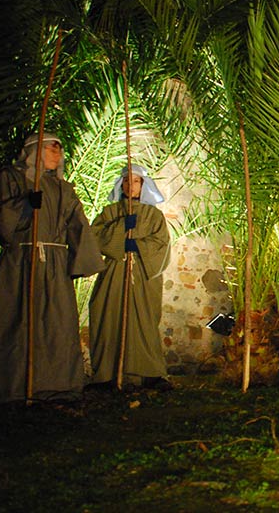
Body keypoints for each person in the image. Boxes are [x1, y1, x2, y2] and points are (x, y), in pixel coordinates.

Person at [0, 132, 104, 404]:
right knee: (17, 321)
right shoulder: (10, 178)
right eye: (52, 148)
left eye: (60, 149)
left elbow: (78, 225)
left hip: (55, 266)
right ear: (34, 150)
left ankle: (56, 384)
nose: (57, 154)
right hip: (21, 263)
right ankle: (13, 386)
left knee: (56, 324)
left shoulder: (64, 189)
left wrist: (81, 262)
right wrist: (24, 205)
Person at [88, 164, 171, 390]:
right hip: (115, 271)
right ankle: (107, 373)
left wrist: (134, 245)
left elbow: (161, 244)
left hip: (143, 274)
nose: (129, 185)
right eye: (126, 181)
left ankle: (148, 372)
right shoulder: (110, 213)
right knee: (108, 315)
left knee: (143, 320)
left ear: (143, 185)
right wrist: (121, 228)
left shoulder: (154, 215)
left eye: (135, 181)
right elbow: (94, 236)